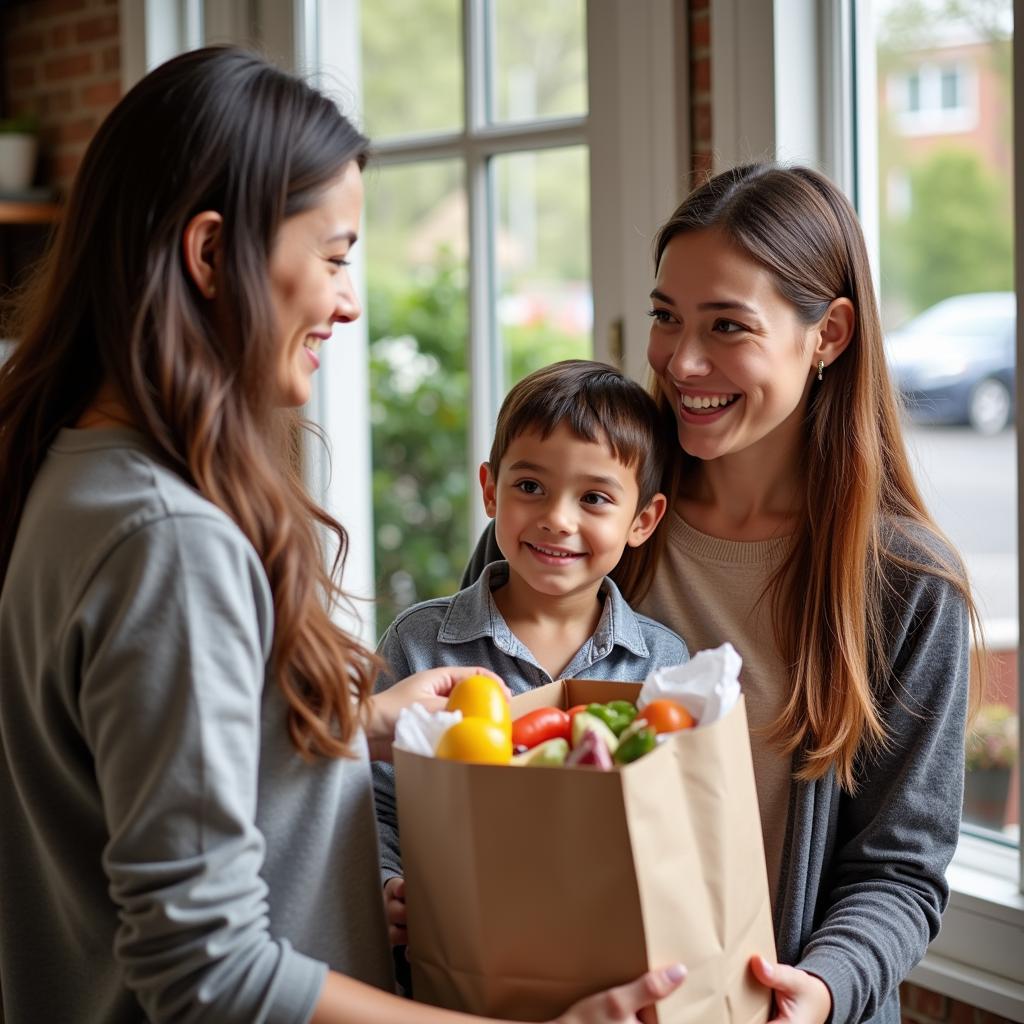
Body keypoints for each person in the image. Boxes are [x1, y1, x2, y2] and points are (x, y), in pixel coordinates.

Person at [0, 47, 686, 1024]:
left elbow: (133, 766)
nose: (350, 300)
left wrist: (340, 727)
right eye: (332, 257)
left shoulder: (71, 471)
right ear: (208, 256)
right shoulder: (167, 541)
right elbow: (209, 973)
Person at [463, 163, 979, 1024]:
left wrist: (823, 988)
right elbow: (480, 758)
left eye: (727, 326)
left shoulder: (906, 587)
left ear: (830, 334)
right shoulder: (575, 526)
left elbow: (899, 868)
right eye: (667, 317)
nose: (681, 360)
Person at [373, 359, 688, 946]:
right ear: (491, 490)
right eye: (530, 487)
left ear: (642, 521)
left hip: (601, 952)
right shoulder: (419, 644)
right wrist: (387, 881)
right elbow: (373, 803)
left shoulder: (663, 665)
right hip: (453, 949)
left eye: (594, 498)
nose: (556, 519)